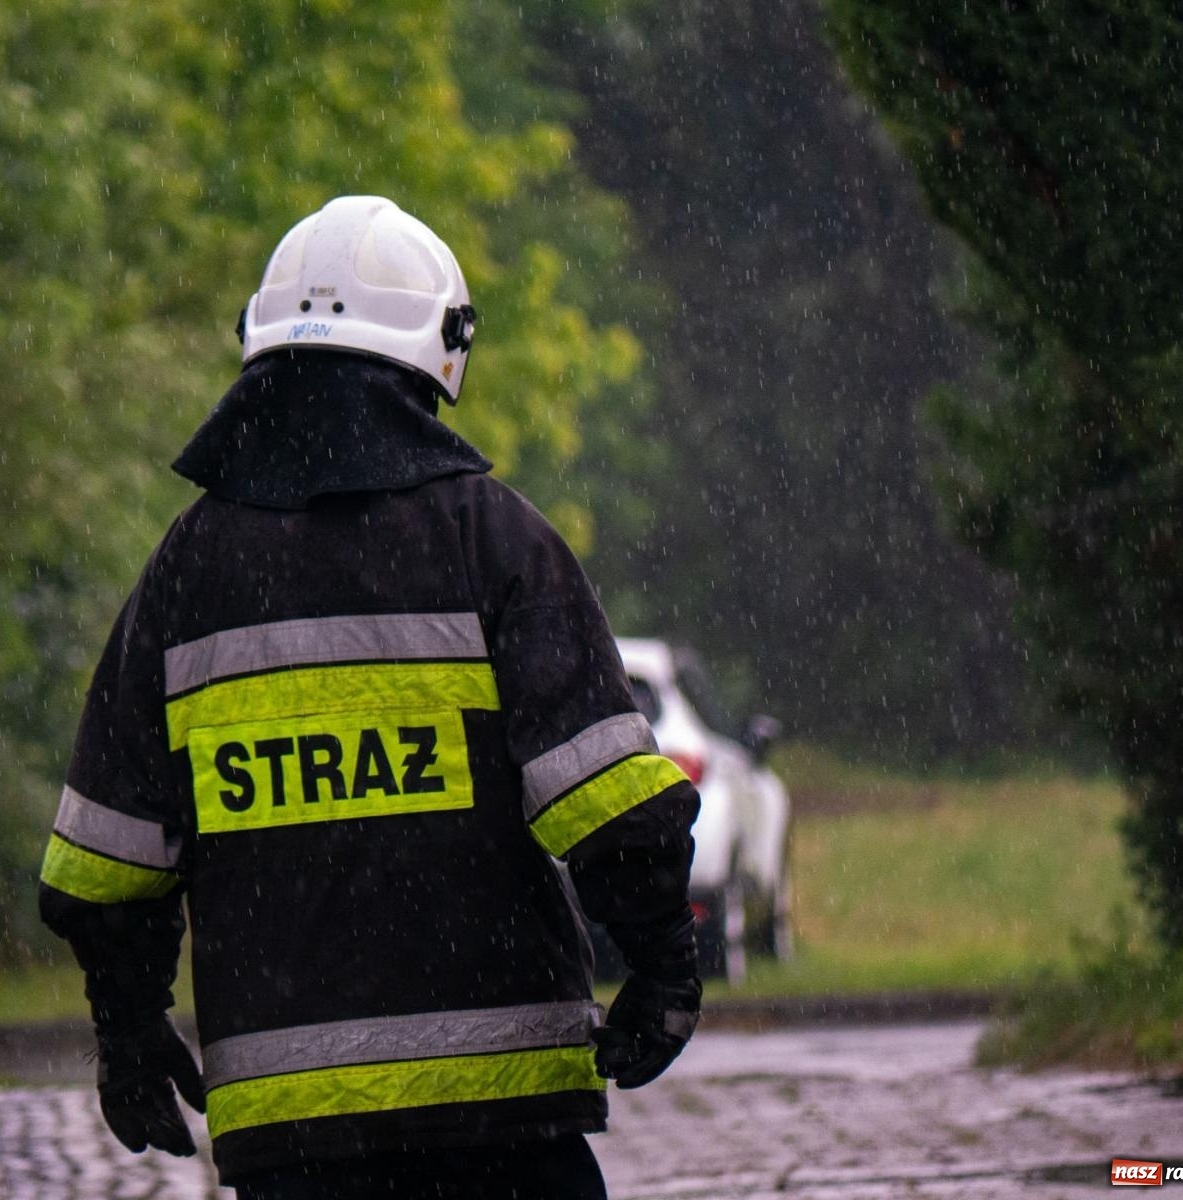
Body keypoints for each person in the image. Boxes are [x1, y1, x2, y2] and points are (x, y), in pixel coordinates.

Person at [38, 195, 702, 1199]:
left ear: (257, 351)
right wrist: (661, 967)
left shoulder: (188, 570)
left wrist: (126, 1027)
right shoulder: (494, 542)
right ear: (437, 354)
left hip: (292, 1147)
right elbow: (609, 800)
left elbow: (104, 859)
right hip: (504, 1128)